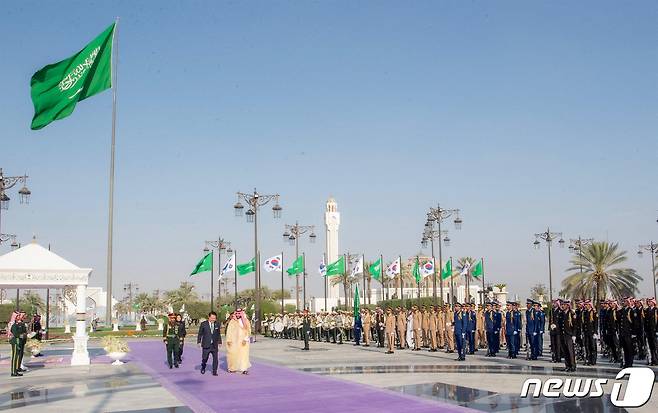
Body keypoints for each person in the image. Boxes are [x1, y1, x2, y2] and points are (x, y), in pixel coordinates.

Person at [226, 308, 251, 374]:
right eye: (236, 313)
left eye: (239, 313)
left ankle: (244, 369)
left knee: (243, 355)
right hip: (234, 341)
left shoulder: (246, 321)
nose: (237, 315)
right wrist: (229, 340)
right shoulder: (232, 321)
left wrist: (245, 339)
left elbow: (248, 331)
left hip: (243, 341)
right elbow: (229, 331)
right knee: (233, 354)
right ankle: (232, 368)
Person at [197, 311, 222, 375]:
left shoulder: (217, 324)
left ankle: (214, 371)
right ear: (209, 317)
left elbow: (218, 334)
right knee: (205, 358)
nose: (213, 319)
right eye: (212, 318)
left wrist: (220, 342)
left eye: (214, 318)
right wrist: (199, 341)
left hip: (214, 345)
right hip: (206, 344)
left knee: (215, 359)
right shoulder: (203, 324)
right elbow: (200, 334)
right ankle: (203, 366)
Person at [558, 299, 577, 372]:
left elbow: (575, 325)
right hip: (563, 335)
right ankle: (567, 366)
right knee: (565, 351)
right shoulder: (561, 313)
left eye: (564, 305)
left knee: (570, 351)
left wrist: (574, 335)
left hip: (569, 335)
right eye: (562, 304)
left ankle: (573, 366)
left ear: (568, 305)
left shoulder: (571, 314)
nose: (562, 306)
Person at [8, 311, 25, 377]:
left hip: (19, 341)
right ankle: (13, 372)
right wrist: (21, 335)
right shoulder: (14, 325)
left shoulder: (19, 324)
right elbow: (16, 334)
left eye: (19, 316)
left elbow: (23, 331)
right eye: (17, 316)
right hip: (15, 342)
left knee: (17, 356)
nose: (19, 317)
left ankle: (16, 370)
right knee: (15, 357)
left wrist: (23, 334)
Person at [581, 299, 598, 365]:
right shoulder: (584, 312)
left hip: (592, 332)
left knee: (593, 347)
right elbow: (583, 323)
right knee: (587, 346)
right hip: (586, 332)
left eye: (587, 305)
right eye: (585, 305)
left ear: (590, 305)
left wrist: (595, 332)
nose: (585, 306)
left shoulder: (594, 312)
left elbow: (596, 323)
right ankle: (588, 360)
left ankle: (593, 361)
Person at [645, 297, 657, 365]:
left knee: (655, 347)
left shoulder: (656, 310)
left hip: (654, 331)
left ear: (653, 302)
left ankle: (656, 360)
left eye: (650, 302)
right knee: (651, 347)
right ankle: (653, 360)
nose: (648, 303)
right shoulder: (647, 310)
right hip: (649, 331)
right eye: (648, 302)